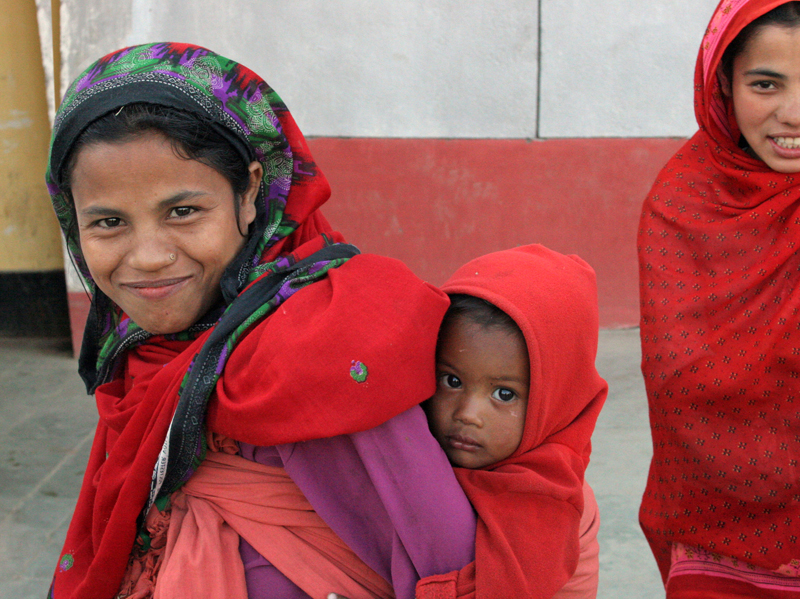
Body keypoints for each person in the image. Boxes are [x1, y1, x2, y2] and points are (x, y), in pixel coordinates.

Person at [46, 42, 476, 598]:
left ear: (249, 190)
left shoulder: (325, 345)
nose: (147, 255)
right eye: (107, 222)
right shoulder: (143, 351)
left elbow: (449, 560)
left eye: (183, 211)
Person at [639, 1, 800, 596]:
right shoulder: (685, 199)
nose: (794, 113)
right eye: (766, 83)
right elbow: (680, 379)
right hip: (715, 524)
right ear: (723, 84)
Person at [415, 244, 608, 599]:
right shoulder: (401, 457)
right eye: (451, 381)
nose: (468, 414)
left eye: (504, 394)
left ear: (557, 400)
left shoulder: (562, 506)